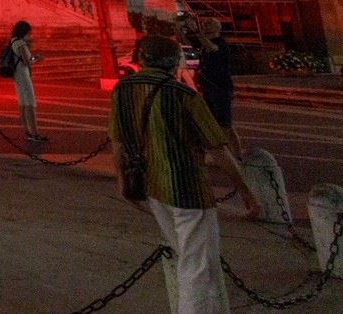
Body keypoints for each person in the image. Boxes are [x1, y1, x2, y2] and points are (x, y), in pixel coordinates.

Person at [110, 35, 260, 314]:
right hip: (187, 189)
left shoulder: (123, 89)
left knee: (197, 259)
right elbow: (218, 149)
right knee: (197, 268)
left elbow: (118, 141)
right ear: (174, 62)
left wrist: (122, 181)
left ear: (141, 59)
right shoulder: (184, 96)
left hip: (152, 187)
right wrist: (247, 193)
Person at [191, 18, 241, 157]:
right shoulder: (205, 46)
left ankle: (228, 154)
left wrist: (196, 31)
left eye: (207, 24)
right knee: (214, 121)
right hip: (208, 88)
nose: (204, 25)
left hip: (220, 88)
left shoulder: (221, 43)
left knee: (225, 123)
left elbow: (212, 48)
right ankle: (234, 154)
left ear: (216, 28)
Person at [7, 21, 46, 141]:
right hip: (23, 75)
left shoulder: (13, 41)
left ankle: (27, 131)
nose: (30, 36)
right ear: (24, 32)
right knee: (30, 103)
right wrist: (37, 58)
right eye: (29, 33)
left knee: (23, 103)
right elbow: (27, 61)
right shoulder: (20, 44)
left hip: (16, 76)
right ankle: (34, 133)